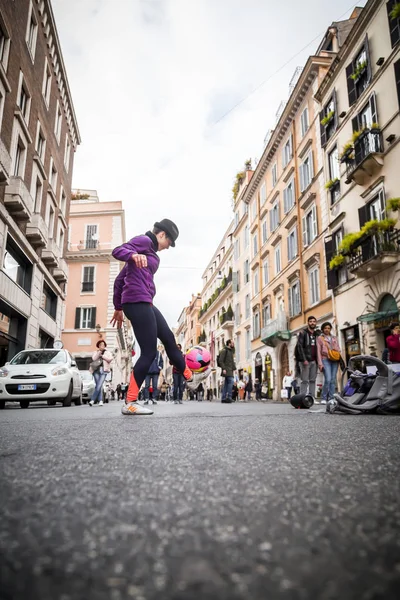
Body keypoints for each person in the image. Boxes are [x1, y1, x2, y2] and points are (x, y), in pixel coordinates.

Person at [111, 219, 209, 415]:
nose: (168, 247)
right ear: (162, 234)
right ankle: (130, 401)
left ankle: (190, 378)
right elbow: (117, 250)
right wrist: (131, 254)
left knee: (169, 339)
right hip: (137, 302)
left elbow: (120, 279)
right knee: (149, 353)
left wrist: (118, 307)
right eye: (169, 242)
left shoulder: (150, 251)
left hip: (144, 302)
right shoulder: (144, 241)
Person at [295, 315, 320, 398]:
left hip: (314, 361)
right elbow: (299, 346)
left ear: (316, 323)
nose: (312, 323)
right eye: (310, 321)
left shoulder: (317, 334)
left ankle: (311, 398)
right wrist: (304, 359)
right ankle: (302, 397)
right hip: (306, 361)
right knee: (305, 380)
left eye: (314, 321)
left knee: (313, 380)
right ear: (308, 323)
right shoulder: (303, 333)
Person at [317, 322, 341, 405]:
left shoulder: (334, 337)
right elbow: (318, 352)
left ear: (330, 329)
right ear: (323, 329)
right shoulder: (320, 338)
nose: (327, 329)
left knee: (333, 380)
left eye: (328, 328)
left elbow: (338, 348)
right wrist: (320, 364)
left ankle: (331, 398)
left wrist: (338, 355)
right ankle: (324, 398)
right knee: (328, 379)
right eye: (325, 328)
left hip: (334, 359)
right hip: (325, 359)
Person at [89, 340, 113, 406]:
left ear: (105, 345)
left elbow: (110, 359)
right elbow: (94, 359)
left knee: (99, 385)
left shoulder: (108, 352)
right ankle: (100, 401)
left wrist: (102, 356)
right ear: (98, 346)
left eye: (103, 345)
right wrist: (99, 352)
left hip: (104, 371)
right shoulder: (96, 352)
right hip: (96, 370)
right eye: (100, 345)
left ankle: (92, 400)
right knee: (98, 386)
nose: (101, 346)